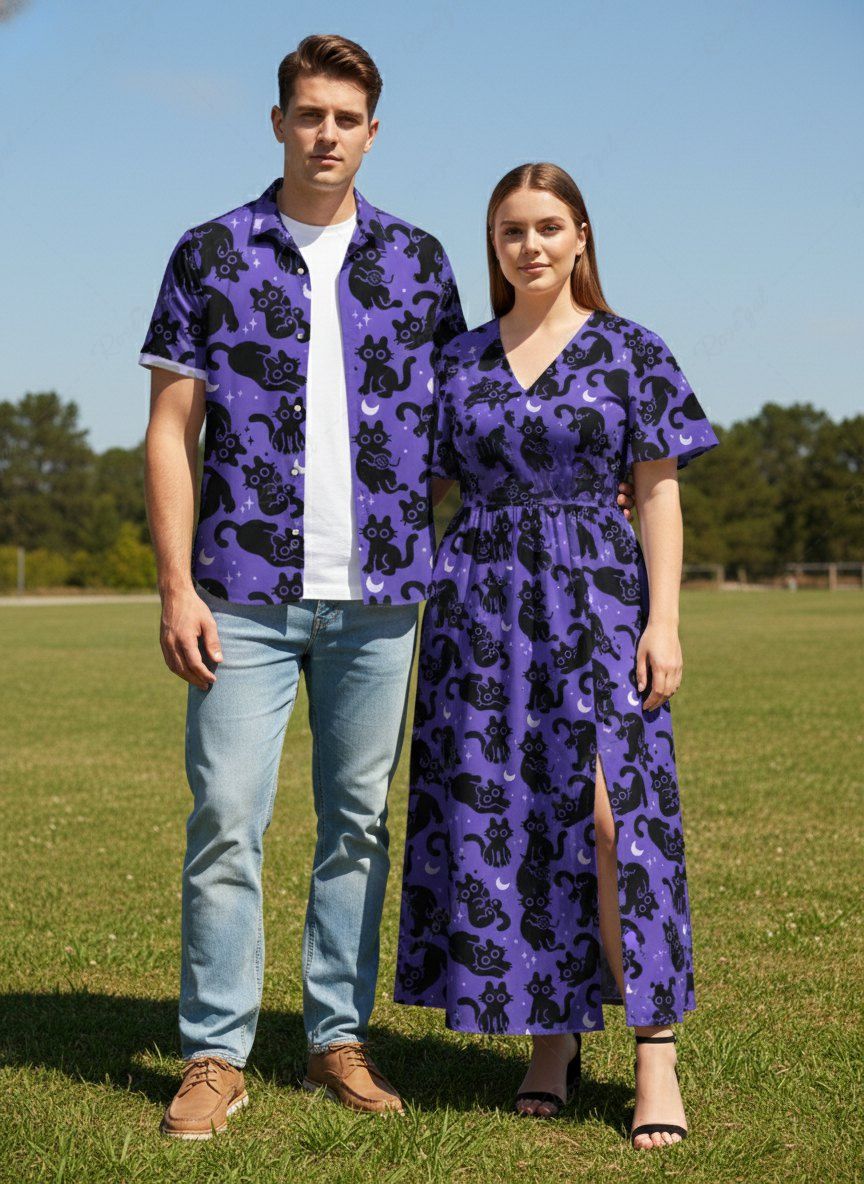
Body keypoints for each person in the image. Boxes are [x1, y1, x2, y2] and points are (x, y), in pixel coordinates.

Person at [139, 33, 641, 1140]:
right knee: (227, 820)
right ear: (279, 122)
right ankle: (215, 1054)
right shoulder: (209, 253)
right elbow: (171, 430)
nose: (326, 134)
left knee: (358, 824)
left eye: (346, 119)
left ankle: (337, 1037)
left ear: (373, 133)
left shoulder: (417, 262)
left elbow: (468, 413)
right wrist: (176, 584)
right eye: (309, 114)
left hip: (382, 597)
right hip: (241, 591)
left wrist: (583, 476)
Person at [394, 162, 720, 1150]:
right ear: (493, 247)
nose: (529, 245)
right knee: (520, 820)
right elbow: (413, 483)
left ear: (581, 235)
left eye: (546, 226)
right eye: (510, 231)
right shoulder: (458, 359)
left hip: (603, 605)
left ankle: (655, 1050)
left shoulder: (633, 350)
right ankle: (552, 1039)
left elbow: (658, 491)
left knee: (620, 824)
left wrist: (666, 620)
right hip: (481, 613)